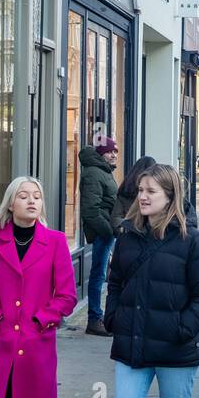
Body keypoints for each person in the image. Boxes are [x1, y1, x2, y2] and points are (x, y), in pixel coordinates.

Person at [105, 163, 199, 398]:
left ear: (170, 196)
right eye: (140, 190)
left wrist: (181, 329)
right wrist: (113, 317)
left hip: (176, 350)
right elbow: (114, 283)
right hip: (132, 343)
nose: (142, 196)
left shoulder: (194, 242)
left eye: (151, 191)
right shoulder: (127, 238)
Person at [0, 176, 76, 398]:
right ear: (10, 204)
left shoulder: (55, 242)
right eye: (23, 196)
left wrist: (40, 320)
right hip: (3, 344)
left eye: (37, 196)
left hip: (36, 345)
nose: (31, 200)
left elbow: (67, 296)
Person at [77, 138, 119, 336]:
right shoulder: (94, 173)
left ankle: (98, 317)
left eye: (115, 152)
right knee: (98, 275)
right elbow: (91, 210)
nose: (114, 155)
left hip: (107, 231)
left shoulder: (103, 171)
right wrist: (109, 231)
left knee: (102, 275)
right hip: (103, 232)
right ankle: (94, 319)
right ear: (101, 153)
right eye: (110, 151)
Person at [114, 156, 157, 235]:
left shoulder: (125, 189)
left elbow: (116, 218)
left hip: (130, 234)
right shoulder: (156, 191)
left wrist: (126, 229)